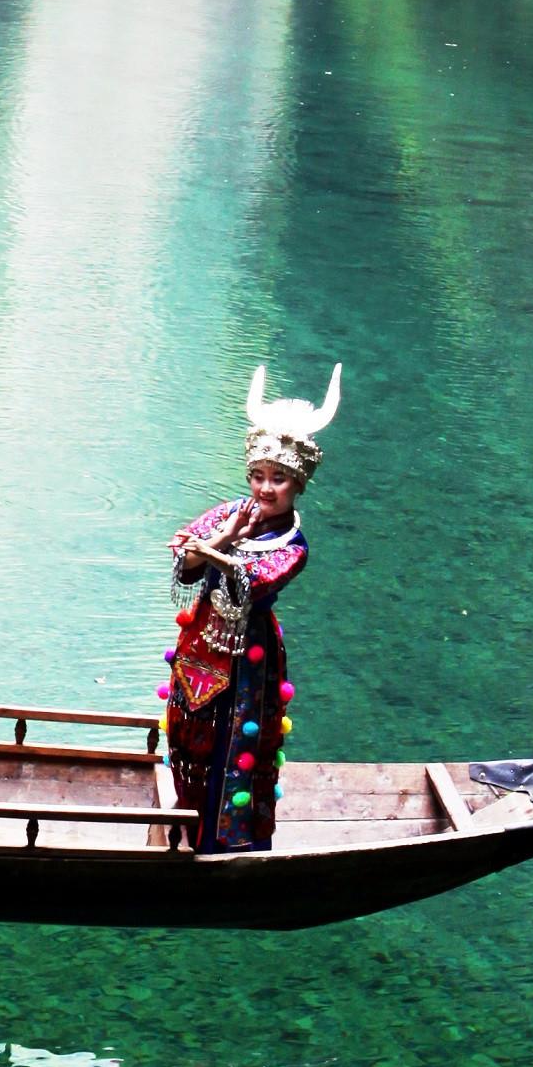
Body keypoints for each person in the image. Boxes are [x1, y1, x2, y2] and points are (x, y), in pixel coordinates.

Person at [162, 363, 339, 852]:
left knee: (239, 743)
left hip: (249, 656)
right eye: (259, 476)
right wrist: (225, 537)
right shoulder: (228, 513)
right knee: (184, 730)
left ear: (297, 485)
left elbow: (253, 583)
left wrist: (213, 548)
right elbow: (185, 564)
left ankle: (227, 840)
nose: (265, 488)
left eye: (278, 479)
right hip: (200, 636)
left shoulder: (294, 545)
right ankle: (183, 819)